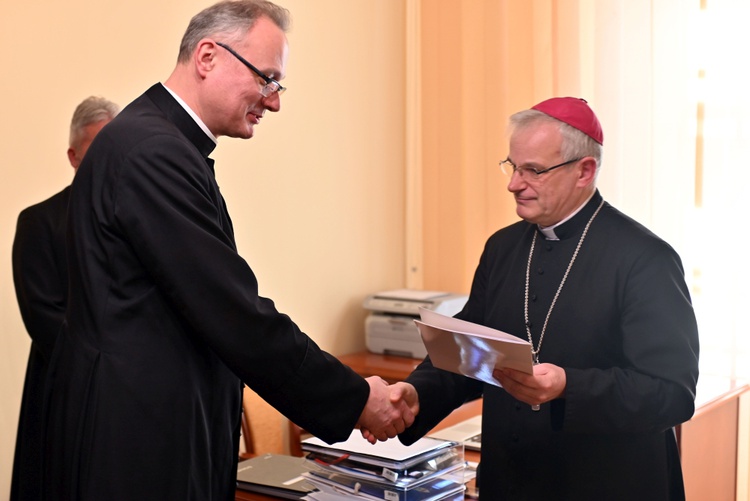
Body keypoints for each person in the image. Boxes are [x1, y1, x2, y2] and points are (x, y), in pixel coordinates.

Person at [40, 2, 416, 500]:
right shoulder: (154, 152)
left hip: (150, 425)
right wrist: (353, 399)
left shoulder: (158, 140)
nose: (274, 101)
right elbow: (234, 312)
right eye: (267, 79)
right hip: (142, 442)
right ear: (208, 57)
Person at [392, 97, 700, 499]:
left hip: (608, 486)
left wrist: (568, 386)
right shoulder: (502, 248)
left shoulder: (645, 259)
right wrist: (416, 396)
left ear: (584, 171)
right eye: (513, 166)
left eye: (533, 170)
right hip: (510, 482)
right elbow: (469, 352)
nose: (513, 183)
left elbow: (672, 395)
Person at [11, 96, 119, 501]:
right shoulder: (39, 222)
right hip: (64, 388)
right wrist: (115, 361)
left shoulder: (139, 217)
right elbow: (43, 318)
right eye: (97, 149)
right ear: (74, 157)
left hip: (127, 395)